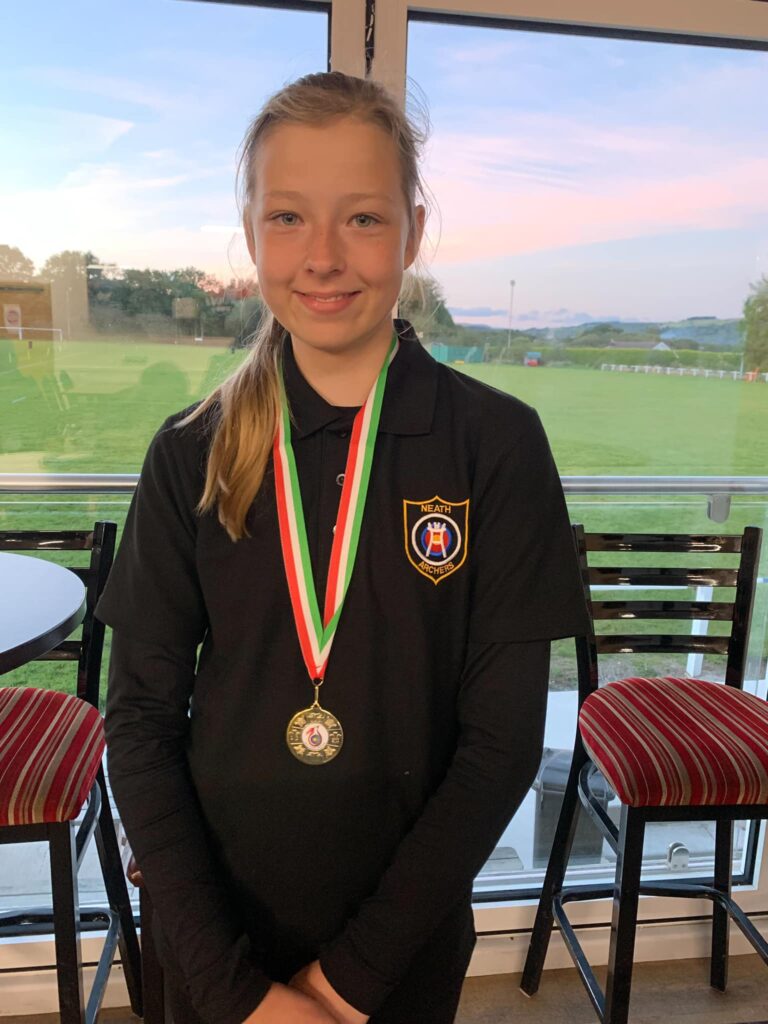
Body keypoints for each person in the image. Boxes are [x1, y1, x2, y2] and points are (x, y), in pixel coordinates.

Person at [95, 70, 590, 1024]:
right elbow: (141, 727)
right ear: (250, 235)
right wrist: (242, 996)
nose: (322, 257)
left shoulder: (498, 446)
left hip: (399, 948)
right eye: (287, 218)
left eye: (361, 219)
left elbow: (500, 747)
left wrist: (342, 986)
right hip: (209, 946)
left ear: (411, 228)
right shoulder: (187, 452)